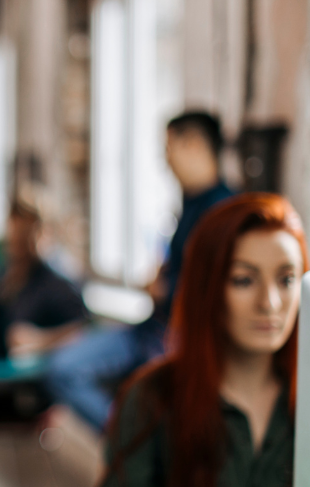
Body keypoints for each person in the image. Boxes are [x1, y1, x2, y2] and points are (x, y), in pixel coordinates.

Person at [85, 193, 309, 487]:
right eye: (244, 279)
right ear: (208, 287)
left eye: (287, 279)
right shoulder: (154, 395)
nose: (270, 303)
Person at [45, 111, 235, 430]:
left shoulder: (225, 213)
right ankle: (128, 445)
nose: (165, 160)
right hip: (149, 330)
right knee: (64, 369)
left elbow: (218, 291)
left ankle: (134, 448)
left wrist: (167, 289)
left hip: (178, 343)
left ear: (193, 145)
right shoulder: (189, 205)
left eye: (168, 148)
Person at [0, 201, 87, 358]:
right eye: (13, 237)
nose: (16, 243)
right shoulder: (0, 279)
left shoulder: (59, 285)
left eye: (23, 237)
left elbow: (82, 332)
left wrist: (39, 341)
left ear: (41, 234)